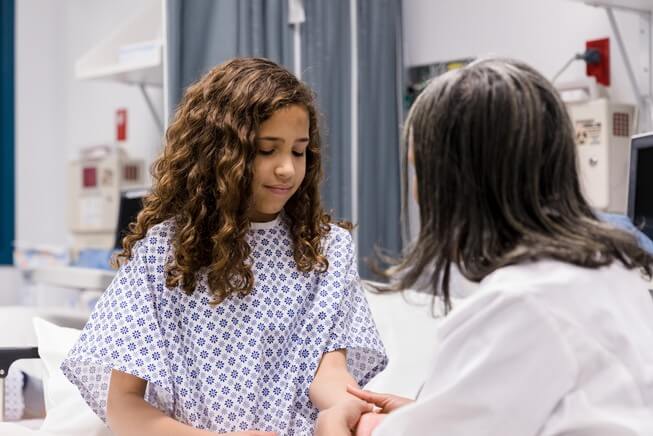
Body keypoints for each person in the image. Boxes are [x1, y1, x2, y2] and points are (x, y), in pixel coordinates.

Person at [319, 58, 653, 435]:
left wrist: (333, 428)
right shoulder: (621, 271)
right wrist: (429, 412)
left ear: (453, 185)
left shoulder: (519, 302)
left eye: (418, 170)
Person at [61, 57, 387, 436]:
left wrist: (352, 407)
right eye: (267, 150)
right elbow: (124, 409)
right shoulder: (163, 255)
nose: (287, 168)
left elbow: (328, 374)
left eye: (298, 151)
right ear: (219, 154)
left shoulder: (327, 250)